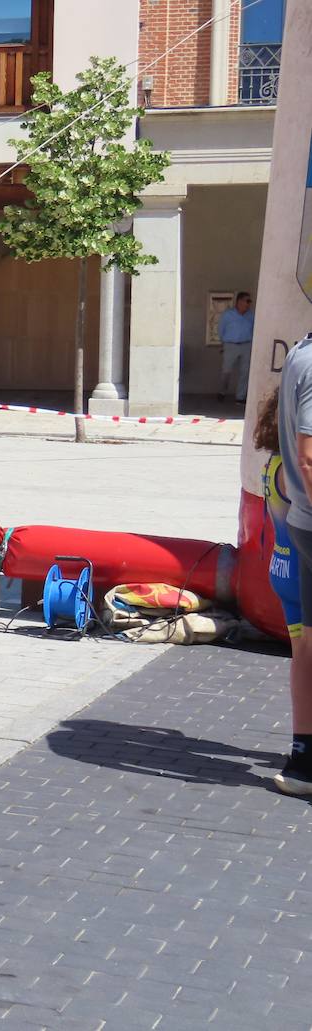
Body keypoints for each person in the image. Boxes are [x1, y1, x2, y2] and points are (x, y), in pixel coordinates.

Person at [260, 385, 312, 796]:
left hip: (281, 565)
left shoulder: (272, 463)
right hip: (299, 569)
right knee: (307, 660)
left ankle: (302, 744)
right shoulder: (292, 468)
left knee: (303, 659)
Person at [218, 292, 255, 403]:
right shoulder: (228, 315)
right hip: (231, 345)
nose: (249, 304)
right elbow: (221, 329)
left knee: (245, 371)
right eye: (247, 301)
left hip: (246, 345)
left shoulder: (251, 315)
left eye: (250, 301)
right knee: (226, 370)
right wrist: (224, 342)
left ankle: (240, 396)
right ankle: (222, 391)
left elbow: (254, 329)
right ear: (239, 301)